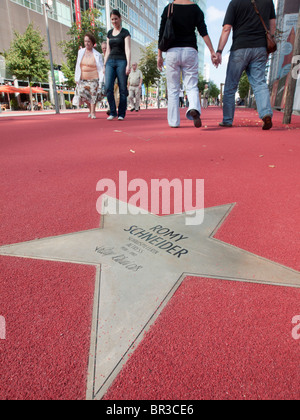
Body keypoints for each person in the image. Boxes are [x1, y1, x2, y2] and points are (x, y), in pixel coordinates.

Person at [216, 0, 276, 130]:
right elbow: (272, 26)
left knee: (231, 85)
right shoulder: (268, 2)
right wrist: (269, 46)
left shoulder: (235, 3)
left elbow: (226, 28)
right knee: (259, 82)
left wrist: (219, 51)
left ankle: (227, 120)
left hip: (240, 48)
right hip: (260, 48)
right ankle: (265, 113)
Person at [157, 0, 217, 128]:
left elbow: (161, 33)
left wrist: (159, 55)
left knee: (173, 88)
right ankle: (194, 108)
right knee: (191, 85)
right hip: (190, 50)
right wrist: (212, 51)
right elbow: (203, 31)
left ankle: (174, 122)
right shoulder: (195, 9)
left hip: (172, 51)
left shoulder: (169, 8)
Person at [104, 10, 131, 121]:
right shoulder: (109, 33)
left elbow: (128, 49)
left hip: (121, 61)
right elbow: (107, 50)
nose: (114, 21)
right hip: (110, 62)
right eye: (112, 19)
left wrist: (128, 64)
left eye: (116, 18)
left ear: (120, 18)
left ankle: (121, 113)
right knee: (108, 87)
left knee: (122, 89)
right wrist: (105, 65)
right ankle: (113, 111)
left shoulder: (125, 33)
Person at [75, 32, 104, 119]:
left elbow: (101, 68)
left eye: (88, 41)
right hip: (83, 78)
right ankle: (90, 109)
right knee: (82, 94)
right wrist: (77, 77)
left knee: (93, 95)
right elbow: (77, 65)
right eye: (85, 41)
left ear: (92, 43)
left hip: (94, 78)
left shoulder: (97, 54)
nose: (87, 43)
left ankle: (93, 112)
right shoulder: (80, 52)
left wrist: (101, 81)